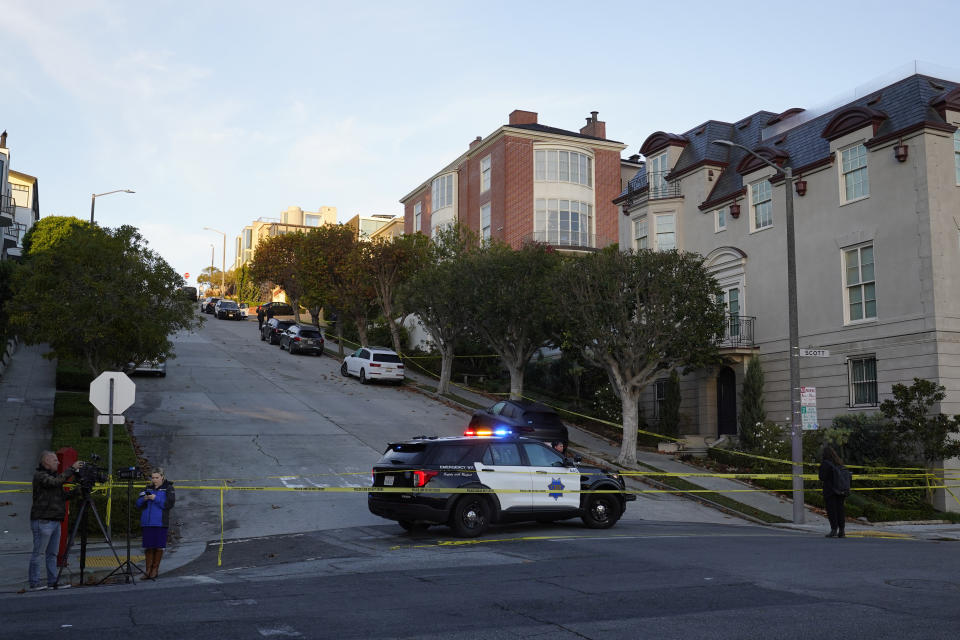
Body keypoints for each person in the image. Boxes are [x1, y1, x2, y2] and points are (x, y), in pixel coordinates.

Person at [30, 451, 82, 591]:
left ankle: (53, 581)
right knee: (39, 553)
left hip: (55, 520)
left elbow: (61, 496)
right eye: (55, 460)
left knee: (52, 554)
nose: (58, 463)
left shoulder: (53, 477)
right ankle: (34, 582)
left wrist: (78, 489)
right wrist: (72, 468)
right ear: (46, 461)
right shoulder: (40, 476)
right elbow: (54, 483)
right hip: (43, 520)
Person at [136, 468, 176, 579]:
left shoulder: (168, 488)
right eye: (153, 477)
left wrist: (155, 498)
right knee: (148, 547)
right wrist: (144, 499)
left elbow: (169, 504)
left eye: (157, 477)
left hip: (160, 522)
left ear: (162, 477)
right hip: (147, 523)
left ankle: (155, 570)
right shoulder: (147, 488)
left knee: (158, 547)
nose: (154, 480)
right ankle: (147, 570)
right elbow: (138, 504)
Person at [818, 446, 848, 538]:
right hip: (841, 490)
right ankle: (842, 531)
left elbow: (822, 477)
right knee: (840, 510)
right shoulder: (839, 463)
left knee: (832, 511)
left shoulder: (825, 464)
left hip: (830, 490)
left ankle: (834, 529)